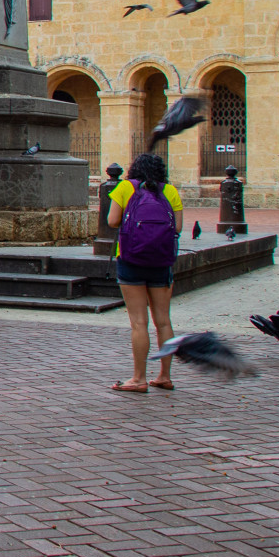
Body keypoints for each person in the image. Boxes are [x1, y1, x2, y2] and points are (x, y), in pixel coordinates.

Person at [106, 152, 182, 393]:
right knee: (163, 321)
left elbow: (112, 221)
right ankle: (164, 376)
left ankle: (138, 378)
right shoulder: (169, 191)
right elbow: (177, 226)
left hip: (131, 258)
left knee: (139, 322)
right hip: (161, 260)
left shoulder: (124, 188)